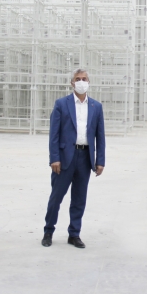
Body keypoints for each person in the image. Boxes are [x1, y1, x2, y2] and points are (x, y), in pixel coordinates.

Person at [42, 68, 105, 249]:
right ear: (72, 83)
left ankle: (74, 234)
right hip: (64, 158)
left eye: (84, 79)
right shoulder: (62, 104)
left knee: (79, 199)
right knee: (56, 197)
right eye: (78, 79)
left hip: (85, 157)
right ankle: (48, 231)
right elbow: (54, 134)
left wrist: (100, 161)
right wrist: (54, 158)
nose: (81, 82)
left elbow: (100, 136)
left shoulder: (96, 107)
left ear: (89, 82)